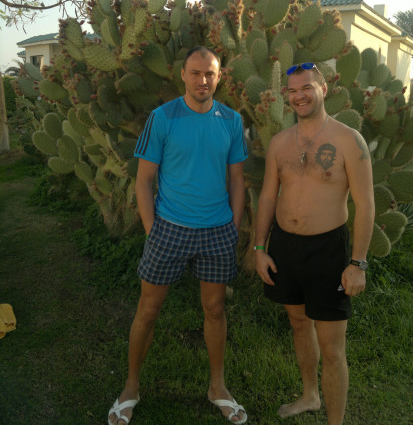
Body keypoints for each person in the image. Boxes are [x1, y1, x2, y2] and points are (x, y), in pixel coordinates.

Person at [108, 46, 248, 425]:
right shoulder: (163, 117)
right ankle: (131, 387)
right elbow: (143, 180)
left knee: (215, 310)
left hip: (217, 230)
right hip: (169, 228)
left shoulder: (231, 120)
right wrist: (152, 231)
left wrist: (233, 226)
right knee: (148, 309)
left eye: (210, 73)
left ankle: (217, 387)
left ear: (219, 77)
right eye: (196, 73)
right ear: (183, 75)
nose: (203, 80)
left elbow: (237, 179)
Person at [254, 62, 374, 425]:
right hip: (285, 247)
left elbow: (366, 204)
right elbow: (268, 197)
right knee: (298, 323)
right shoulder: (280, 142)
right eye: (292, 91)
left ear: (324, 88)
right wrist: (259, 248)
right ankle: (310, 395)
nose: (299, 96)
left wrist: (358, 263)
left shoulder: (348, 140)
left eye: (306, 87)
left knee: (333, 348)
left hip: (328, 251)